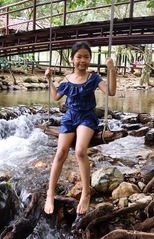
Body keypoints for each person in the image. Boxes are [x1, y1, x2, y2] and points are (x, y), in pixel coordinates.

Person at [44, 41, 116, 215]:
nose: (82, 60)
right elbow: (55, 97)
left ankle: (86, 192)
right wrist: (49, 79)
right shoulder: (67, 80)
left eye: (86, 57)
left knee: (80, 151)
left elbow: (111, 92)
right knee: (61, 152)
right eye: (79, 57)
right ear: (72, 59)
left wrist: (111, 70)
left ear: (90, 59)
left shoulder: (94, 78)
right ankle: (50, 192)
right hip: (69, 117)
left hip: (86, 117)